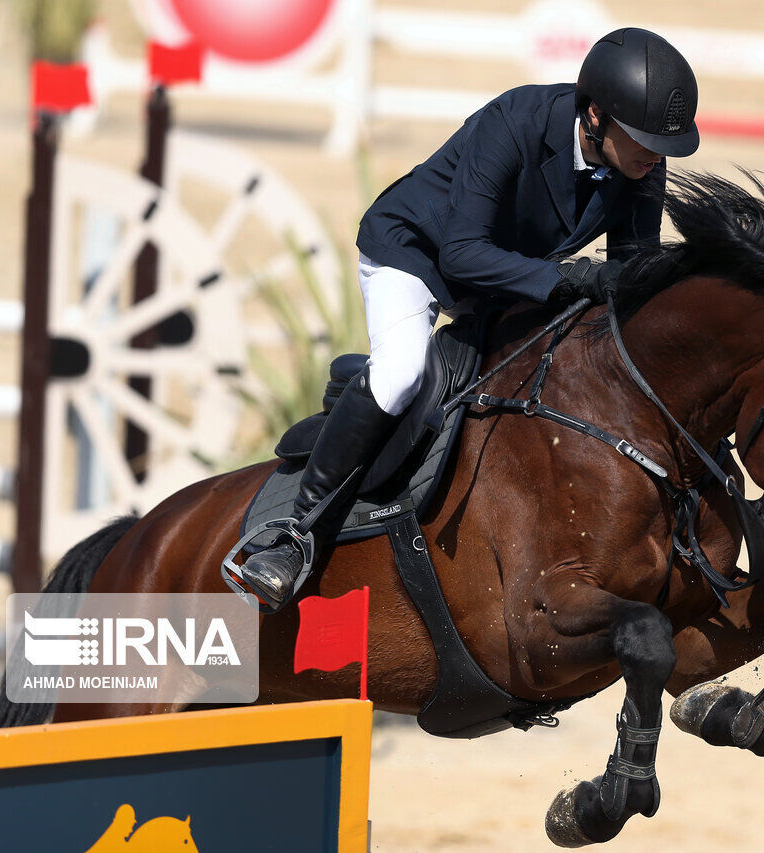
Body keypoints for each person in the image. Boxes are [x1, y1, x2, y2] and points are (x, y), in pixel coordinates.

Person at [235, 27, 701, 611]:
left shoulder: (639, 163)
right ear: (595, 116)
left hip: (509, 280)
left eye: (663, 144)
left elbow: (629, 276)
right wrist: (574, 279)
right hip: (418, 255)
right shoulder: (516, 120)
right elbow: (461, 253)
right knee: (403, 372)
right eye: (643, 139)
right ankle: (294, 533)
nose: (655, 155)